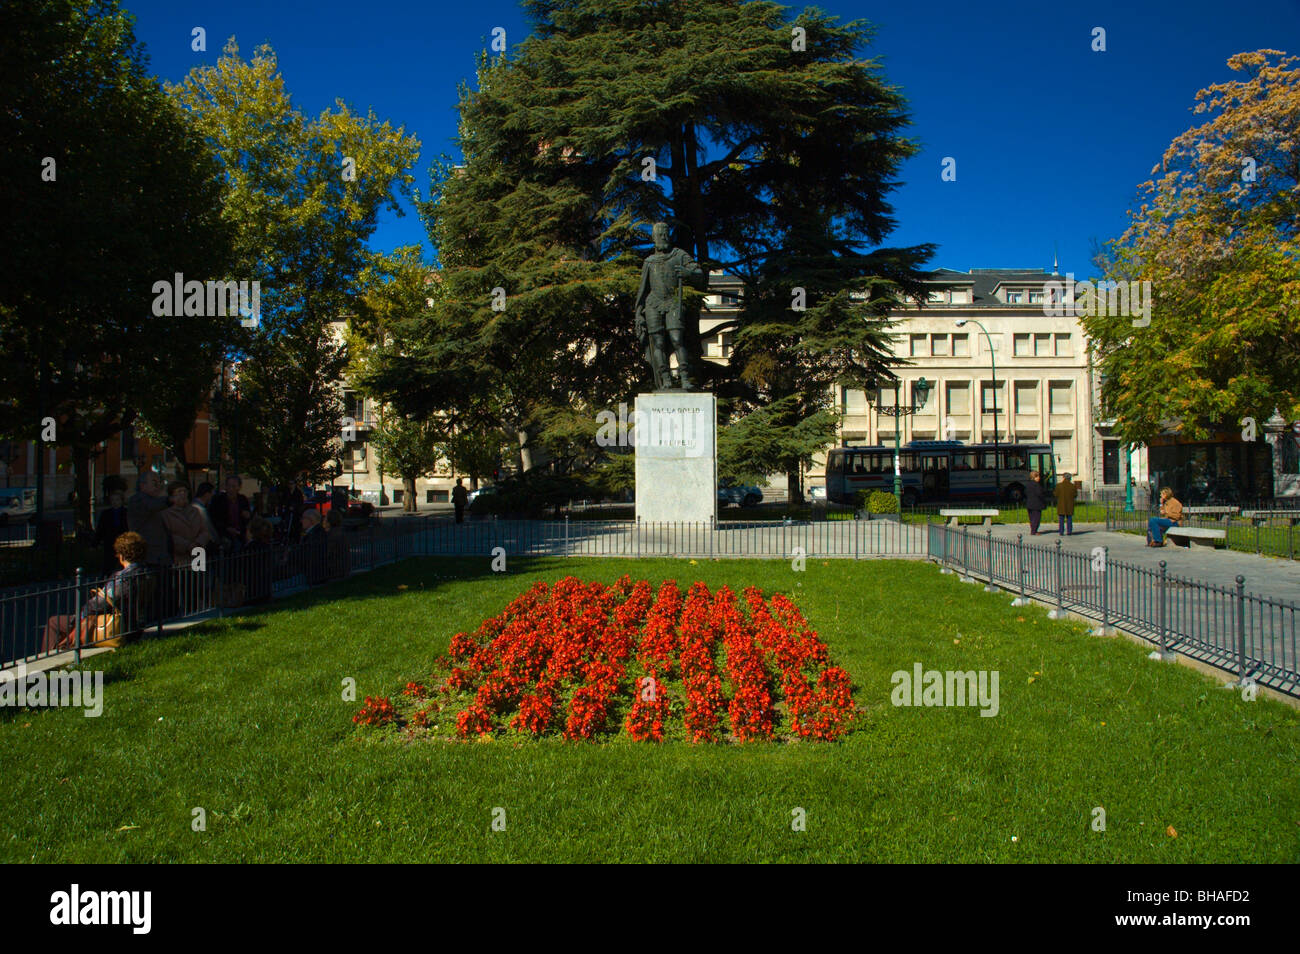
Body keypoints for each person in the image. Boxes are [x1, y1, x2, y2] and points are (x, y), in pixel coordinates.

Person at [43, 531, 151, 653]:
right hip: (135, 626)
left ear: (121, 555)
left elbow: (102, 603)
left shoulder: (124, 578)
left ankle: (49, 657)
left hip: (115, 625)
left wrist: (81, 614)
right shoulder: (146, 574)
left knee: (54, 622)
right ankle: (63, 648)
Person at [126, 471, 170, 566]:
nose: (158, 486)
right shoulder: (137, 500)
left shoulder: (156, 500)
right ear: (143, 485)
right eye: (154, 483)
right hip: (147, 556)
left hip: (160, 555)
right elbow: (152, 506)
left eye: (159, 482)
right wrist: (168, 498)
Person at [211, 474, 252, 554]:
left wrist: (247, 515)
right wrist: (226, 528)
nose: (231, 489)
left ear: (239, 487)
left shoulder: (242, 499)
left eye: (234, 486)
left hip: (240, 533)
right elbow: (214, 518)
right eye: (228, 486)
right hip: (224, 533)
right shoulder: (218, 500)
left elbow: (248, 516)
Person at [93, 490, 129, 569]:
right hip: (110, 542)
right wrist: (96, 542)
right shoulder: (106, 513)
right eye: (113, 500)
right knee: (109, 563)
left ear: (122, 501)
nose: (115, 502)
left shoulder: (127, 512)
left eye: (117, 500)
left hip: (123, 541)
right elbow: (101, 528)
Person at [1024, 470, 1046, 535]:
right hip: (1037, 504)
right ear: (1035, 477)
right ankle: (1034, 531)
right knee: (1036, 518)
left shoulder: (1027, 484)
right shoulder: (1037, 485)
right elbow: (1040, 494)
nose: (1039, 478)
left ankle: (1033, 530)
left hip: (1029, 503)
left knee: (1031, 518)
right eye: (1038, 476)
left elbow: (1025, 492)